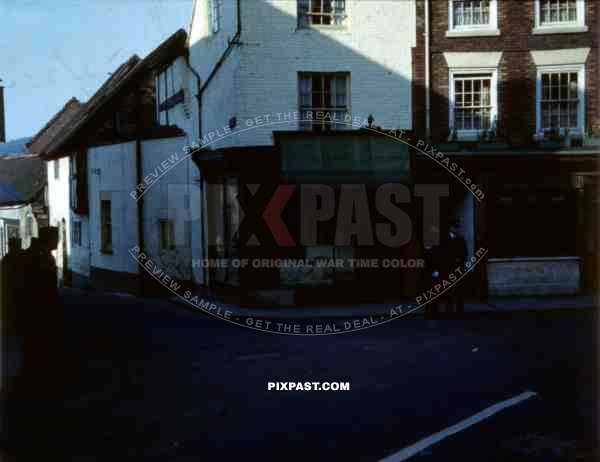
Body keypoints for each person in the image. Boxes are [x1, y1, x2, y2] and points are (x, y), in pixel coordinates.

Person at [443, 223, 467, 318]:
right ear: (450, 228)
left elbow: (465, 253)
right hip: (448, 268)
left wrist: (460, 260)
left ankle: (459, 310)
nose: (455, 229)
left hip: (458, 268)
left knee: (459, 289)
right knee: (448, 289)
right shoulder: (445, 240)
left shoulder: (461, 239)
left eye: (457, 228)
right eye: (453, 227)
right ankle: (449, 309)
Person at [423, 226, 443, 320]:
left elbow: (438, 258)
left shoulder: (437, 246)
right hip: (428, 271)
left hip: (434, 271)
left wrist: (437, 269)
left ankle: (434, 311)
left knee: (435, 292)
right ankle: (429, 312)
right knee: (428, 292)